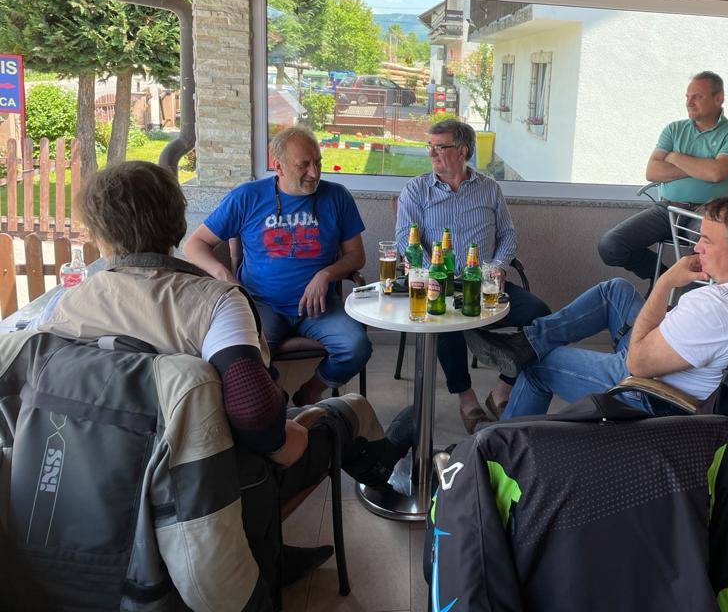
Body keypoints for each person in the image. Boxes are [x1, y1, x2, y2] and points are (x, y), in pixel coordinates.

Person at [0, 161, 410, 606]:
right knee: (345, 411)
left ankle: (277, 553)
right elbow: (255, 414)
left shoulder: (62, 306)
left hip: (91, 490)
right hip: (209, 492)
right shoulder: (214, 303)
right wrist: (283, 437)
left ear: (98, 235)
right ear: (178, 224)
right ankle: (384, 463)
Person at [470, 195, 728, 419]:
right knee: (615, 290)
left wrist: (667, 281)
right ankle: (525, 343)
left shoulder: (717, 307)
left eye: (706, 240)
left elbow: (636, 363)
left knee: (540, 365)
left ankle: (499, 455)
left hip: (656, 389)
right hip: (681, 353)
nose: (696, 248)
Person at [184, 126, 371, 407]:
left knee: (356, 347)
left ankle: (309, 392)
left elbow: (356, 257)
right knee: (242, 360)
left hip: (318, 308)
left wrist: (326, 274)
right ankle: (275, 398)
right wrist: (226, 276)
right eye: (303, 165)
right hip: (262, 305)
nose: (314, 173)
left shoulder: (337, 196)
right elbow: (194, 245)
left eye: (318, 162)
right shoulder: (247, 197)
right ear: (278, 166)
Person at [396, 119, 550, 432]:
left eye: (439, 147)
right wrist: (432, 273)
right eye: (430, 147)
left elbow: (508, 234)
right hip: (441, 284)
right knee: (443, 320)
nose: (432, 153)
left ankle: (503, 389)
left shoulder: (489, 188)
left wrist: (499, 265)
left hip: (484, 284)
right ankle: (467, 400)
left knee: (541, 315)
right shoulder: (417, 189)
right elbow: (404, 239)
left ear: (462, 150)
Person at [598, 70, 728, 283]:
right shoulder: (674, 129)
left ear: (719, 98)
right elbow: (652, 172)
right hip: (666, 209)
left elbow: (716, 173)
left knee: (709, 254)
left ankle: (688, 300)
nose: (689, 102)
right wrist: (702, 167)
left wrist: (674, 157)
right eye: (687, 97)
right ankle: (663, 280)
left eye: (697, 96)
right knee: (610, 246)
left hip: (708, 212)